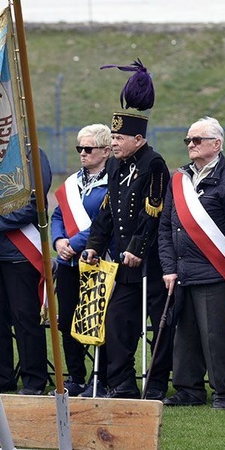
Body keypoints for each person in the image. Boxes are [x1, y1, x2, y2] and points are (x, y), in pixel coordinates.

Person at [82, 59, 172, 400]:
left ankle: (158, 383)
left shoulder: (155, 163)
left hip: (149, 262)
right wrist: (94, 244)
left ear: (138, 138)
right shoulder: (118, 165)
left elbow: (154, 211)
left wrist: (137, 247)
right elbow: (108, 209)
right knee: (118, 323)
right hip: (122, 263)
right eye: (112, 136)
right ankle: (121, 383)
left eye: (119, 137)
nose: (114, 143)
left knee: (160, 326)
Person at [158, 117, 225, 409]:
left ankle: (223, 392)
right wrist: (169, 267)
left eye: (197, 140)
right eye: (188, 141)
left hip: (213, 273)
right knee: (184, 337)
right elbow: (166, 227)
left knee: (216, 336)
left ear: (216, 144)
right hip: (182, 272)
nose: (191, 145)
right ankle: (188, 390)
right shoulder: (179, 179)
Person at [0, 148, 52, 396]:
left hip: (19, 253)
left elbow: (34, 204)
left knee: (25, 319)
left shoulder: (31, 155)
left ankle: (34, 381)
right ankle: (1, 378)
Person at [51, 124, 112, 397]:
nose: (83, 153)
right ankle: (76, 377)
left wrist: (74, 244)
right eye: (80, 148)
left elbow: (104, 222)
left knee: (98, 321)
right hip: (67, 265)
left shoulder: (113, 181)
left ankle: (102, 379)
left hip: (96, 262)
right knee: (67, 322)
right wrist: (58, 242)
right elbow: (57, 216)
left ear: (106, 151)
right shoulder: (72, 182)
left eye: (89, 148)